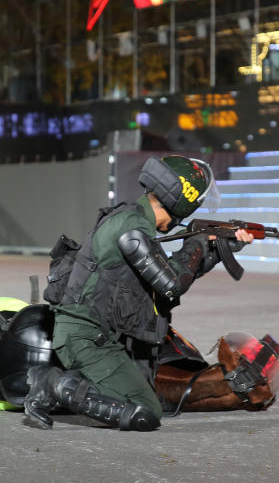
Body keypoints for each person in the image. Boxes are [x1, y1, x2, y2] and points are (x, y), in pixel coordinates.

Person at [24, 155, 254, 431]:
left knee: (142, 394)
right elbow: (171, 285)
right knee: (146, 412)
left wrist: (217, 250)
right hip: (84, 337)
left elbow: (169, 276)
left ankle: (68, 382)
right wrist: (197, 244)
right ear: (184, 199)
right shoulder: (131, 227)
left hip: (100, 336)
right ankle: (50, 384)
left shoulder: (136, 220)